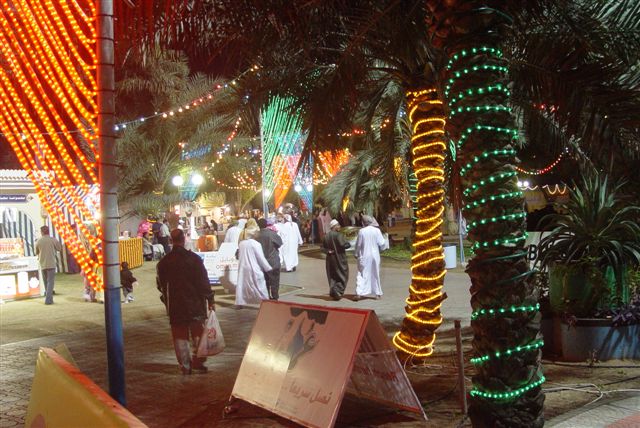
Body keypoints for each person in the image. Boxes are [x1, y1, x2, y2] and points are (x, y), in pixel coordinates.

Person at [157, 229, 215, 375]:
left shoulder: (164, 262)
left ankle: (185, 366)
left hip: (175, 304)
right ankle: (198, 362)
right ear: (184, 239)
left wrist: (167, 300)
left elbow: (161, 285)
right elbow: (203, 281)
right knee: (198, 333)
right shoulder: (194, 259)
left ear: (171, 241)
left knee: (179, 335)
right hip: (195, 303)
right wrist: (210, 298)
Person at [235, 227, 273, 306]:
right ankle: (266, 303)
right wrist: (268, 267)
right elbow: (260, 257)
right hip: (254, 267)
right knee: (260, 286)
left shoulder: (241, 243)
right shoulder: (256, 244)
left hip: (243, 268)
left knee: (243, 286)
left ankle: (240, 302)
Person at [354, 216, 388, 300]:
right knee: (375, 273)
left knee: (362, 274)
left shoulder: (362, 231)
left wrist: (356, 253)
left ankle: (359, 293)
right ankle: (377, 294)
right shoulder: (377, 231)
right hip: (375, 256)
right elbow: (381, 243)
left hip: (364, 255)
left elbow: (358, 244)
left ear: (363, 222)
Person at [322, 219, 351, 300]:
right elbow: (344, 245)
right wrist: (348, 243)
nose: (339, 226)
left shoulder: (326, 236)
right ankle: (338, 291)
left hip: (330, 259)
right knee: (343, 274)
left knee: (332, 275)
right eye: (338, 225)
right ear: (334, 226)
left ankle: (333, 291)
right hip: (340, 258)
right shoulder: (339, 235)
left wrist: (328, 251)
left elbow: (322, 248)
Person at [255, 218, 283, 300]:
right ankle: (275, 297)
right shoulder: (272, 234)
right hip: (273, 261)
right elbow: (280, 243)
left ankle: (267, 297)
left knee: (265, 281)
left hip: (262, 263)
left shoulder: (256, 236)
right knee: (275, 281)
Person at [35, 226, 62, 305]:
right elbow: (59, 248)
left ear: (42, 232)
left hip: (42, 263)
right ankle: (48, 300)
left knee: (46, 282)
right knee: (50, 282)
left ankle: (48, 298)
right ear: (48, 231)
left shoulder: (38, 241)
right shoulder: (53, 239)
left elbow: (36, 252)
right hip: (51, 263)